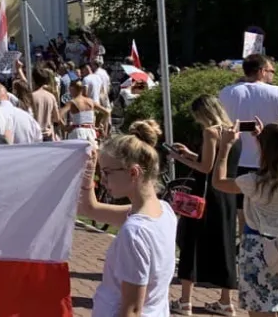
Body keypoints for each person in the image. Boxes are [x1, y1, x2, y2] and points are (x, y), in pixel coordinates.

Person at [78, 120, 177, 317]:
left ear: (133, 172)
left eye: (107, 173)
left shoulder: (135, 233)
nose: (103, 180)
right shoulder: (164, 211)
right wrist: (89, 171)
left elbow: (132, 309)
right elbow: (89, 208)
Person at [211, 122, 278, 316]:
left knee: (261, 308)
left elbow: (219, 182)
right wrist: (262, 139)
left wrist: (225, 147)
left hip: (258, 250)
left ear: (266, 150)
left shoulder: (255, 182)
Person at [168, 95, 239, 315]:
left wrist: (177, 158)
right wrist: (190, 153)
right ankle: (226, 301)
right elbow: (218, 161)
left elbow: (206, 167)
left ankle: (185, 300)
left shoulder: (210, 132)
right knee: (225, 244)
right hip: (227, 193)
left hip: (205, 194)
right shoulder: (233, 132)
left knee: (191, 241)